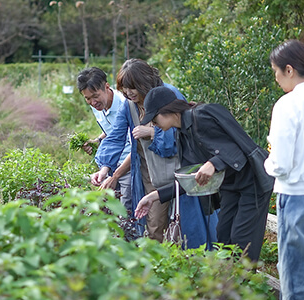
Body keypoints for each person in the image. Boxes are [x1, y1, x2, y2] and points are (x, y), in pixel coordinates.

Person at [135, 85, 273, 261]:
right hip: (230, 186)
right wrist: (154, 196)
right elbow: (191, 180)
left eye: (154, 118)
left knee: (241, 239)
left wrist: (213, 163)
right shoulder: (181, 134)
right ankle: (227, 283)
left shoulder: (202, 115)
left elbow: (239, 148)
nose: (153, 124)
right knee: (223, 237)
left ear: (166, 111)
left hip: (252, 181)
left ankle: (243, 284)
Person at [92, 59, 217, 245]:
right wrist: (105, 168)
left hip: (180, 171)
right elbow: (115, 136)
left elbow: (186, 132)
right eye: (124, 88)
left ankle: (195, 266)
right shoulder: (130, 105)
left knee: (187, 225)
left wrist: (152, 132)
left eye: (131, 87)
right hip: (150, 175)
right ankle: (157, 267)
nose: (128, 93)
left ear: (143, 82)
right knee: (154, 225)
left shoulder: (168, 94)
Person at [262, 39, 304, 300]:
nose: (278, 81)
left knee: (297, 280)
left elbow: (280, 164)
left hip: (299, 198)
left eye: (277, 74)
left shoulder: (289, 104)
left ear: (289, 70)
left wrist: (268, 160)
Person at [76, 67, 132, 212]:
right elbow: (111, 131)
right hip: (111, 164)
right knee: (109, 209)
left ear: (107, 87)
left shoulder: (125, 104)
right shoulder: (98, 107)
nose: (93, 102)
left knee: (126, 210)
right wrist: (97, 141)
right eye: (87, 98)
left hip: (129, 165)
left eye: (95, 96)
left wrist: (115, 175)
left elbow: (134, 143)